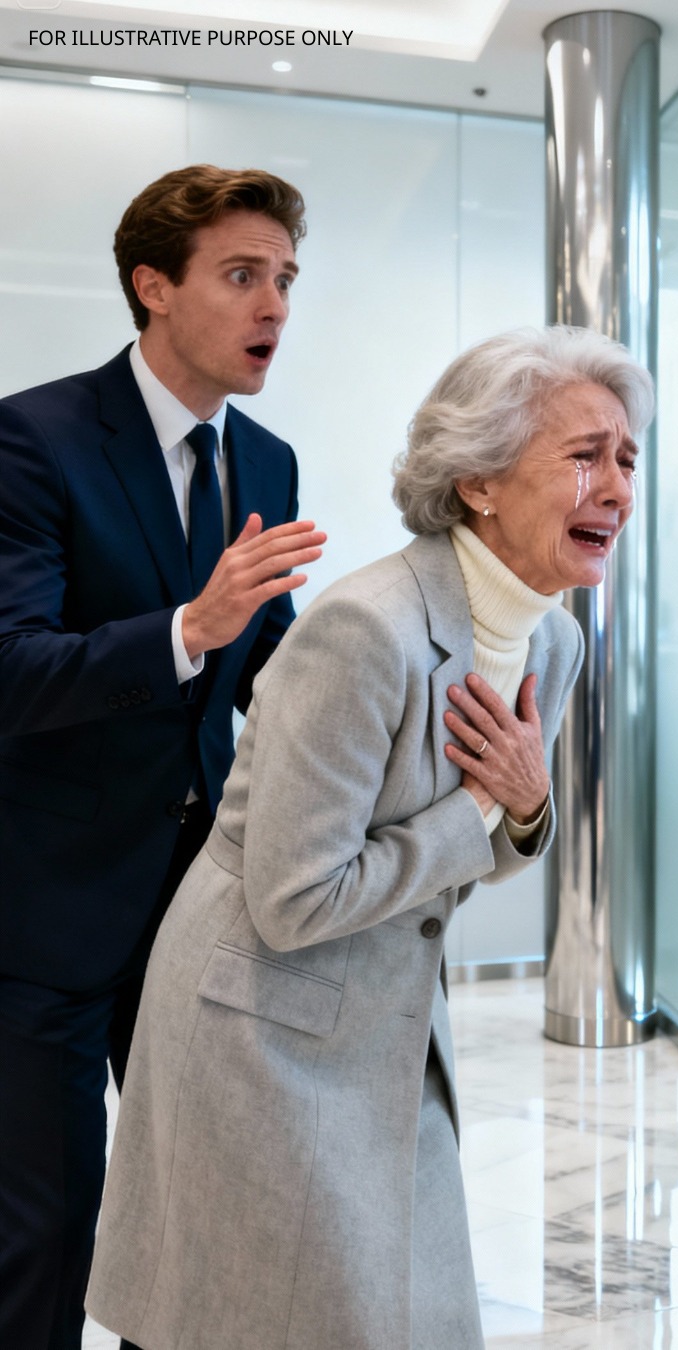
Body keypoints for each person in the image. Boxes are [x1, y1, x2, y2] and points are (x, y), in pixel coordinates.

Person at [84, 325, 655, 1349]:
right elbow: (297, 897)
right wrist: (480, 812)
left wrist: (525, 807)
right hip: (257, 1020)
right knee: (249, 1316)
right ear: (478, 481)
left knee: (391, 1307)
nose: (615, 488)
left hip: (387, 1014)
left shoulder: (555, 639)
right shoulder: (363, 632)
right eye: (584, 456)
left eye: (627, 459)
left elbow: (497, 834)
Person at [0, 164, 326, 1350]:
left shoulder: (268, 461)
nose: (274, 305)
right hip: (48, 908)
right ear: (153, 286)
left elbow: (274, 666)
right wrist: (191, 628)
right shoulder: (32, 439)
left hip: (205, 900)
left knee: (194, 1219)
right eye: (242, 275)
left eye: (285, 278)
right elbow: (14, 669)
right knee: (45, 1231)